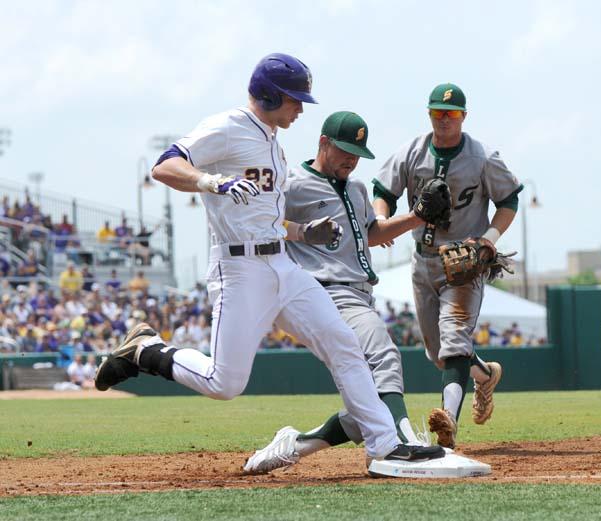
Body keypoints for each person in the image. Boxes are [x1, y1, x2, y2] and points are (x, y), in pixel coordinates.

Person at [94, 53, 443, 474]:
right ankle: (146, 351)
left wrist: (301, 233)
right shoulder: (229, 127)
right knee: (225, 384)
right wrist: (209, 180)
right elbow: (165, 165)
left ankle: (384, 444)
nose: (300, 109)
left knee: (344, 345)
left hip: (282, 265)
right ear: (271, 94)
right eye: (295, 100)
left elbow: (265, 219)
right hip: (239, 270)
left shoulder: (272, 141)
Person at [244, 111, 448, 474]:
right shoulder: (292, 186)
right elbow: (263, 224)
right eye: (345, 150)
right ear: (323, 143)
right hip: (327, 291)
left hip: (361, 292)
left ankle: (296, 445)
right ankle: (400, 443)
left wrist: (417, 217)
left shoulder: (356, 188)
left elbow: (371, 234)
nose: (351, 160)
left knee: (367, 398)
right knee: (383, 355)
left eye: (357, 153)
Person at [372, 83, 521, 448]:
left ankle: (448, 424)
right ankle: (484, 375)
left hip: (463, 262)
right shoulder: (412, 151)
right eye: (438, 111)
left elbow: (509, 200)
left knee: (454, 344)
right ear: (429, 114)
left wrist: (489, 239)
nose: (444, 119)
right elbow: (383, 191)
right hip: (422, 261)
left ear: (463, 117)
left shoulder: (483, 156)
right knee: (438, 354)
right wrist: (383, 219)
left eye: (451, 113)